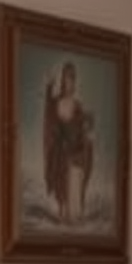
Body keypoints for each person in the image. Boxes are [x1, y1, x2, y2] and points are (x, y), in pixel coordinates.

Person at [43, 61, 94, 224]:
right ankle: (62, 209)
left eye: (71, 79)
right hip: (60, 150)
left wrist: (87, 129)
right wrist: (49, 88)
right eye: (66, 79)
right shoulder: (56, 102)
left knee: (75, 167)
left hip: (75, 149)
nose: (68, 83)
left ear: (74, 82)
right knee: (61, 167)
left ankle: (74, 212)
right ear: (62, 81)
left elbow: (82, 127)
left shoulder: (77, 105)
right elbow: (49, 112)